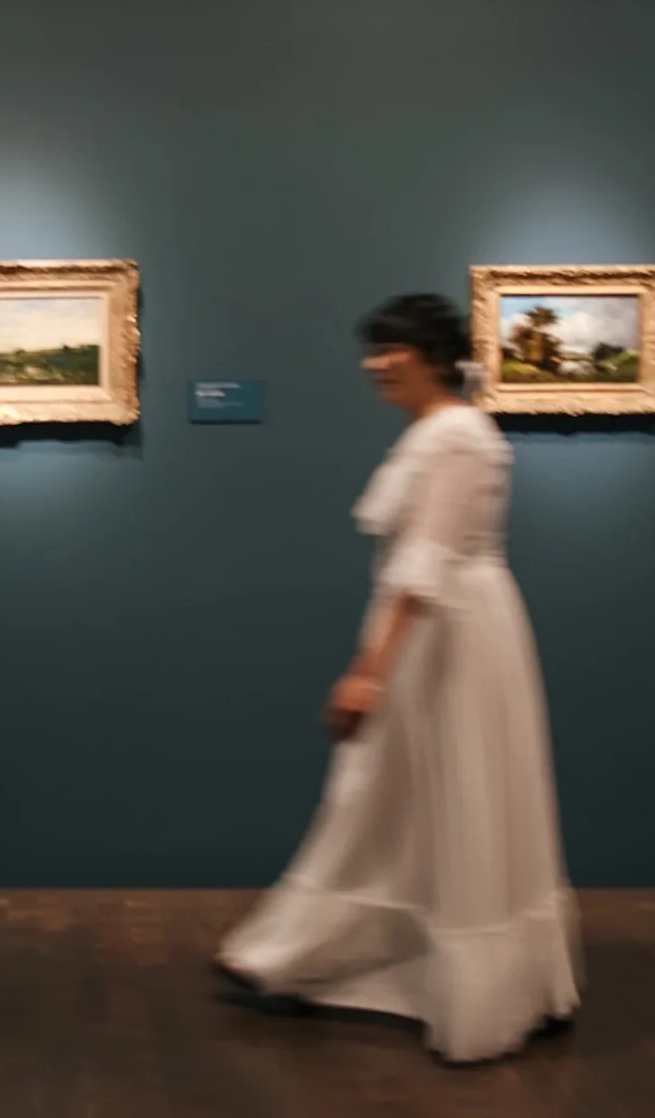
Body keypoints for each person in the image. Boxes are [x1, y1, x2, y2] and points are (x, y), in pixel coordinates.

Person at [213, 293, 582, 1064]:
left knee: (426, 793)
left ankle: (454, 982)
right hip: (442, 625)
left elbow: (427, 563)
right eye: (374, 349)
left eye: (394, 350)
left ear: (433, 357)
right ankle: (310, 953)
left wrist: (369, 669)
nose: (376, 364)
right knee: (399, 796)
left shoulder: (455, 436)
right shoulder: (443, 432)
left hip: (446, 633)